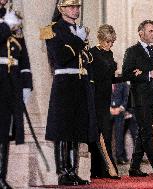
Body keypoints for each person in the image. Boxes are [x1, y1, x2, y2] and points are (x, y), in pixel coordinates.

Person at [41, 0, 94, 186]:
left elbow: (87, 57)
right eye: (71, 6)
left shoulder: (79, 29)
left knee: (76, 129)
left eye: (77, 7)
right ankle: (63, 172)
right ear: (61, 8)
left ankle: (73, 171)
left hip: (80, 83)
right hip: (64, 83)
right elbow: (61, 57)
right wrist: (79, 40)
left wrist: (79, 42)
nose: (75, 10)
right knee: (63, 129)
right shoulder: (52, 29)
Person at [122, 20, 153, 177]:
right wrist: (147, 74)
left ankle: (133, 168)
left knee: (143, 133)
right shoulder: (132, 52)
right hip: (140, 99)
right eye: (151, 31)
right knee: (147, 132)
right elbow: (126, 74)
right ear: (141, 33)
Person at [0, 0, 33, 188]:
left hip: (10, 80)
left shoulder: (11, 18)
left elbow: (23, 53)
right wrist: (5, 26)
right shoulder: (8, 21)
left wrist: (26, 83)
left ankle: (1, 177)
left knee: (4, 130)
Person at [88, 24, 121, 179]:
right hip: (95, 97)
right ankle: (104, 169)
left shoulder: (109, 53)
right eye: (107, 41)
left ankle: (102, 170)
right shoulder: (92, 53)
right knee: (98, 133)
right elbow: (93, 76)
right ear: (100, 39)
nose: (109, 45)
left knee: (105, 132)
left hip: (106, 97)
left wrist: (127, 75)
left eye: (111, 42)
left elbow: (111, 76)